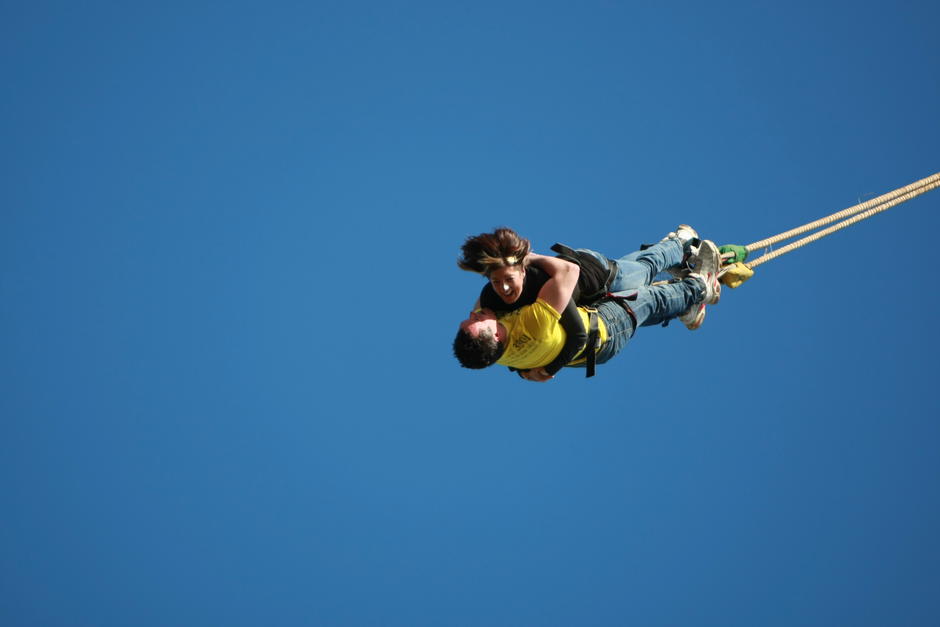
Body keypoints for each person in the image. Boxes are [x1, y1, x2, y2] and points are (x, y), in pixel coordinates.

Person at [452, 229, 722, 381]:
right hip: (600, 326)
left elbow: (484, 318)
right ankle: (699, 286)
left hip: (596, 278)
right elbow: (569, 279)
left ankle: (679, 249)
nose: (474, 315)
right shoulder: (532, 317)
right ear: (496, 334)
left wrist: (540, 372)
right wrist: (528, 258)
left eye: (504, 280)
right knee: (647, 296)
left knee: (642, 270)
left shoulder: (492, 349)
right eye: (476, 320)